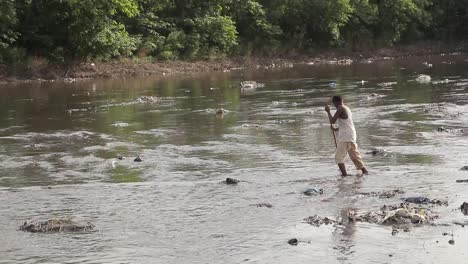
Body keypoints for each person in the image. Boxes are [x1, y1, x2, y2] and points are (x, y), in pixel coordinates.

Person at [325, 95, 368, 176]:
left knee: (338, 157)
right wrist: (336, 129)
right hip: (351, 135)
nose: (334, 105)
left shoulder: (340, 108)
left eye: (333, 103)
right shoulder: (346, 108)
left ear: (336, 102)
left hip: (346, 137)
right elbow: (346, 124)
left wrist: (328, 112)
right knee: (355, 156)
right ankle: (364, 171)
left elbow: (332, 121)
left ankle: (344, 175)